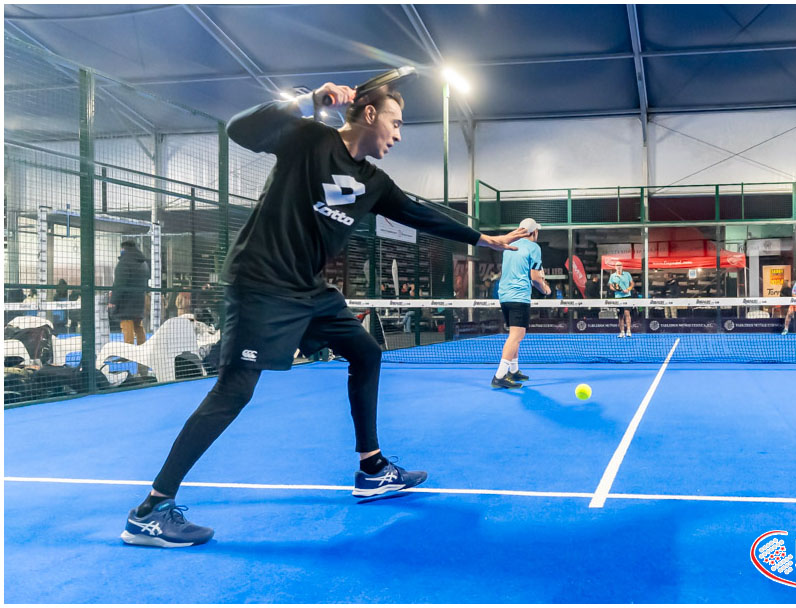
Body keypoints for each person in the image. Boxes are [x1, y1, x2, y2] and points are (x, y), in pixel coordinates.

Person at [121, 79, 525, 548]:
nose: (399, 134)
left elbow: (420, 214)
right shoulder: (308, 139)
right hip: (260, 283)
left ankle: (372, 468)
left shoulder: (374, 183)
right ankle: (151, 510)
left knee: (366, 352)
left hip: (308, 290)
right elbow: (239, 130)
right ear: (369, 115)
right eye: (395, 123)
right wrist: (309, 101)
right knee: (234, 391)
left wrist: (484, 239)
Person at [492, 218, 551, 389]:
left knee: (514, 334)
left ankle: (513, 370)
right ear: (534, 232)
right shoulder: (534, 247)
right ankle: (499, 376)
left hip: (504, 295)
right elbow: (535, 278)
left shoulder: (509, 244)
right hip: (519, 296)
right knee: (517, 336)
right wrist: (546, 290)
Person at [110, 241, 150, 347]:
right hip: (139, 300)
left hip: (126, 301)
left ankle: (129, 350)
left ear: (124, 249)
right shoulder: (143, 263)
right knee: (138, 325)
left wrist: (113, 300)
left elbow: (119, 283)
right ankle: (143, 347)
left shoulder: (124, 262)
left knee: (126, 325)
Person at [608, 262, 634, 337]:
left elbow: (632, 283)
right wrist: (617, 290)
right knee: (620, 315)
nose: (618, 267)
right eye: (617, 265)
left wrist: (628, 289)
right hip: (618, 297)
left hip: (627, 296)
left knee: (627, 313)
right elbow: (611, 286)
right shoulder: (612, 276)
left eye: (620, 265)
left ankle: (628, 331)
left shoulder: (627, 274)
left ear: (622, 267)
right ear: (615, 267)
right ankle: (622, 332)